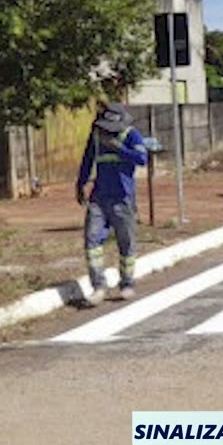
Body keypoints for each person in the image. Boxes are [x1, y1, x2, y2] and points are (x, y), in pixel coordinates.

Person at [75, 103, 148, 306]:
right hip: (98, 197)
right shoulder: (97, 137)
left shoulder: (131, 135)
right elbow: (87, 160)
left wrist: (119, 149)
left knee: (126, 241)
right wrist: (80, 183)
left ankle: (127, 283)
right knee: (92, 240)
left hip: (123, 197)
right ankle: (99, 286)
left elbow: (142, 158)